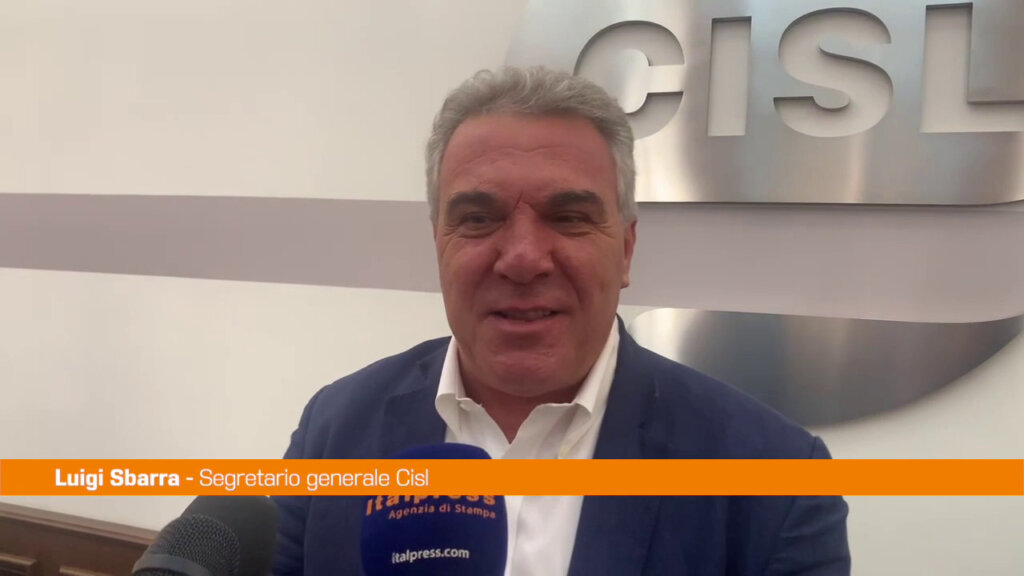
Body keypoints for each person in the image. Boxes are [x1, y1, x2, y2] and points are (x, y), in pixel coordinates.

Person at [272, 66, 850, 575]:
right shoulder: (334, 432)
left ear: (626, 251)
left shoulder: (778, 484)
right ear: (438, 243)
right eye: (478, 219)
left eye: (569, 217)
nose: (523, 258)